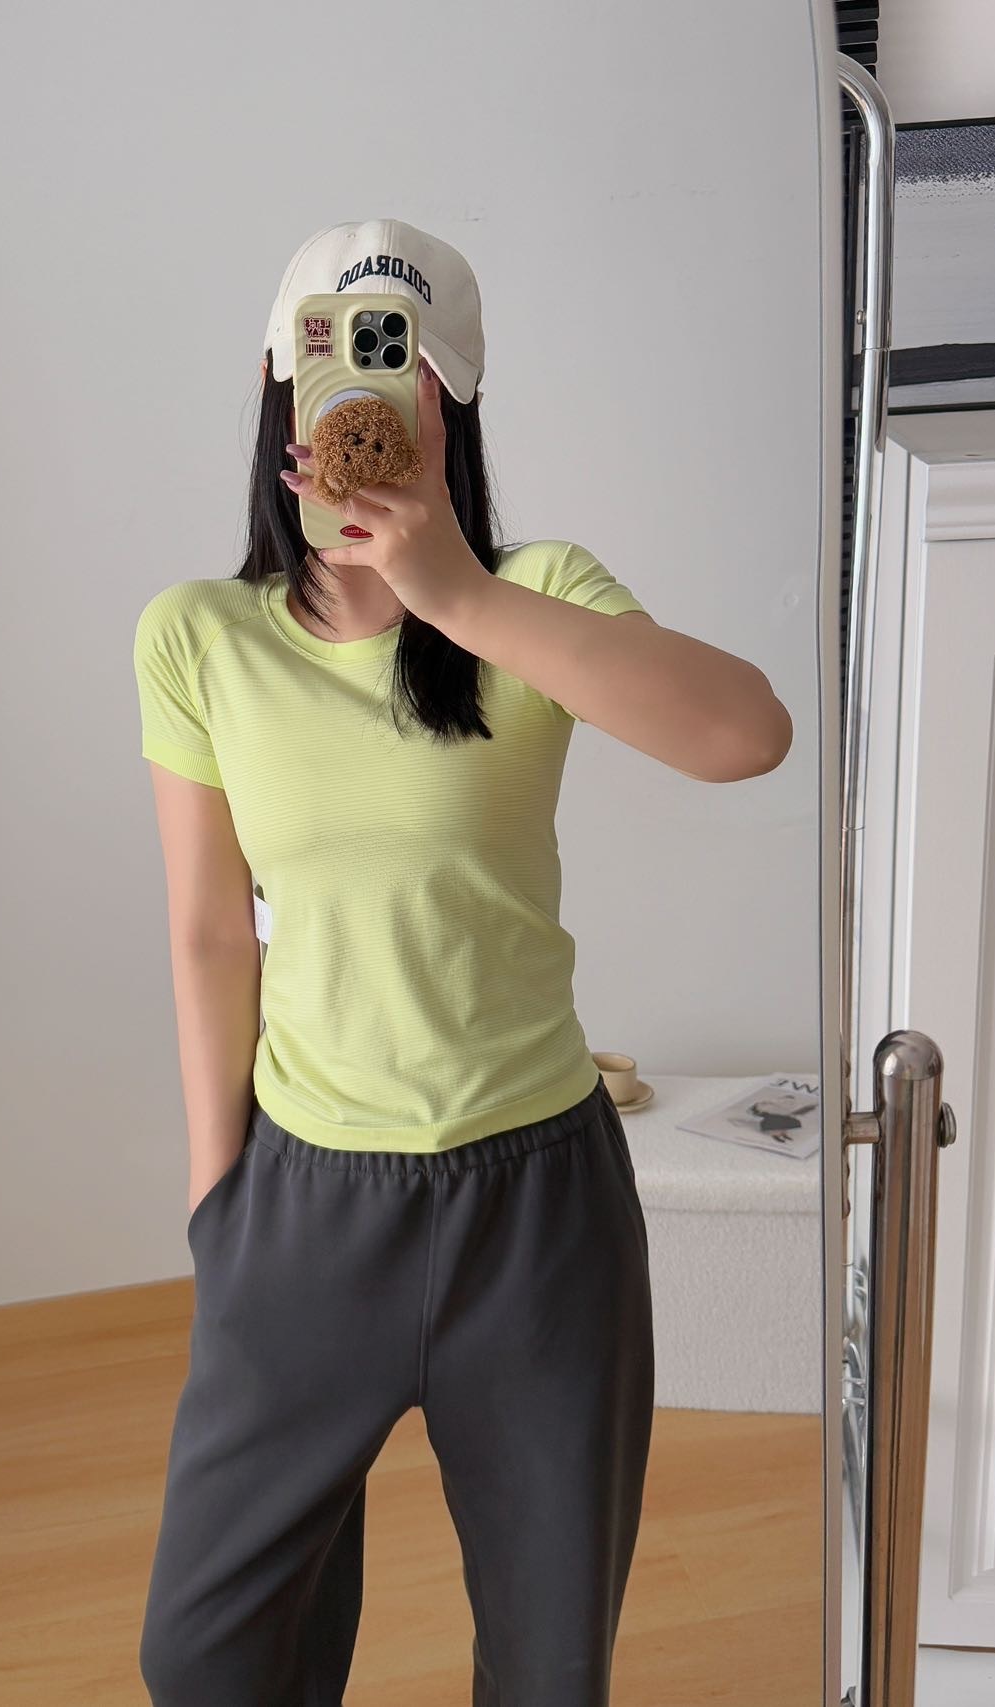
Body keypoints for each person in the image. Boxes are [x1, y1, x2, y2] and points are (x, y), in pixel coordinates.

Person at [133, 218, 792, 1707]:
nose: (356, 404)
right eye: (325, 356)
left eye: (399, 368)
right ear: (277, 388)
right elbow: (208, 931)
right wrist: (217, 1206)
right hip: (305, 1200)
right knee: (210, 1659)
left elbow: (747, 734)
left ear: (455, 405)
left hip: (538, 1208)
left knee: (551, 1666)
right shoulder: (200, 638)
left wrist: (461, 594)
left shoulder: (535, 594)